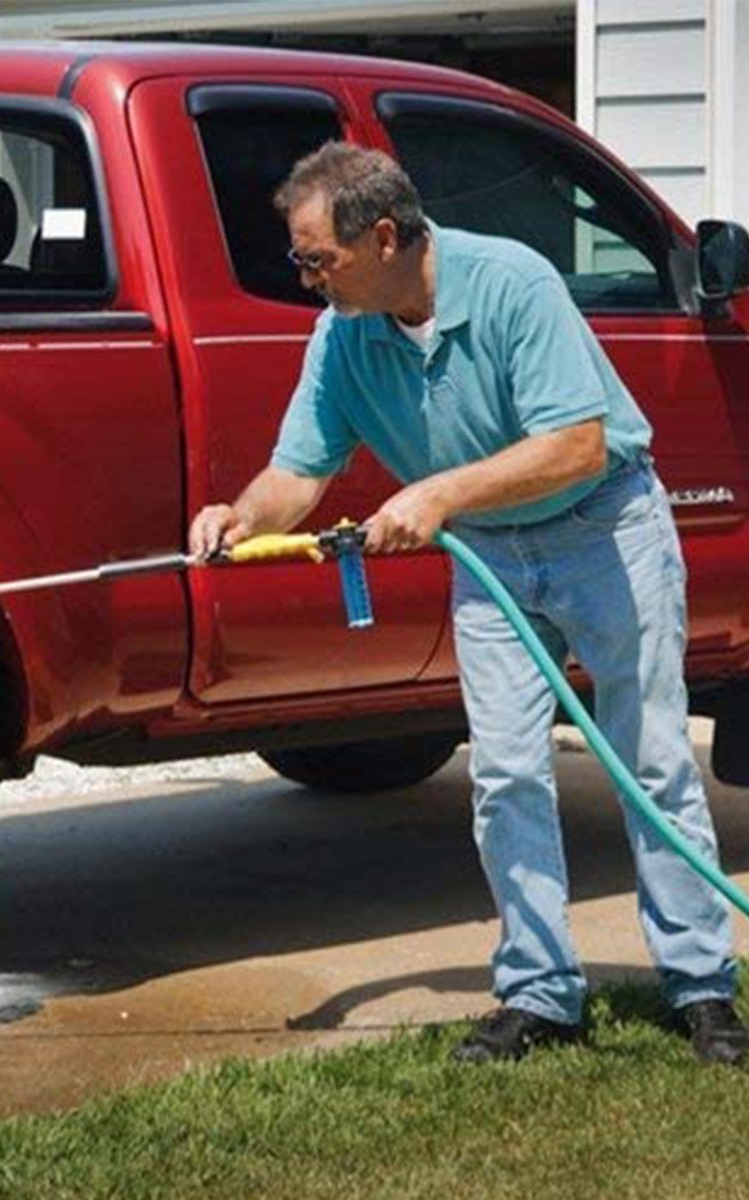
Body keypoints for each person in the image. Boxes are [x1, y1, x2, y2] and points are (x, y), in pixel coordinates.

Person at [189, 143, 746, 1066]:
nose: (305, 277)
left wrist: (438, 495)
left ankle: (701, 988)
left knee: (650, 761)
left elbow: (575, 444)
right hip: (491, 555)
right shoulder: (341, 336)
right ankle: (540, 992)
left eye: (316, 258)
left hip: (603, 529)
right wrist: (238, 518)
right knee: (506, 774)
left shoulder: (513, 284)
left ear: (382, 237)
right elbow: (299, 471)